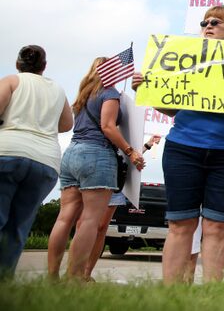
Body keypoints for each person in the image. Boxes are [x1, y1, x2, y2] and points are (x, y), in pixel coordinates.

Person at [132, 5, 224, 283]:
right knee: (180, 224)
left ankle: (212, 292)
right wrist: (147, 90)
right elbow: (173, 109)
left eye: (215, 22)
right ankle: (171, 294)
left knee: (217, 226)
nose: (207, 26)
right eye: (204, 22)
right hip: (184, 148)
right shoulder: (187, 61)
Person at [47, 56, 146, 280]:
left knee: (65, 218)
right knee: (91, 220)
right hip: (97, 153)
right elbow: (108, 126)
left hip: (72, 152)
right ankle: (74, 278)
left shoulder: (83, 96)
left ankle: (52, 276)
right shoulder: (109, 93)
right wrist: (131, 152)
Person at [0, 46, 73, 278]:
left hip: (8, 151)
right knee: (18, 226)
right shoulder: (58, 90)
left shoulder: (11, 81)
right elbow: (66, 125)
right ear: (44, 66)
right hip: (45, 161)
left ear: (17, 63)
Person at [80, 135, 161, 280]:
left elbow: (129, 153)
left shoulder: (124, 130)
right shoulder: (104, 129)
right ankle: (74, 271)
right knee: (85, 224)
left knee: (101, 228)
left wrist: (147, 145)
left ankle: (86, 274)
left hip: (117, 180)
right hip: (97, 173)